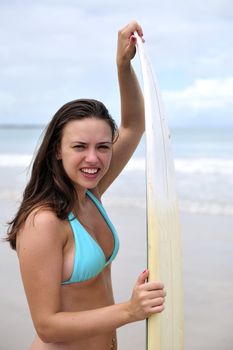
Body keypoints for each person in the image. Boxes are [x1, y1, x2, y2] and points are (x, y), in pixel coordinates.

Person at [6, 21, 165, 350]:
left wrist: (122, 64)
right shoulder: (43, 222)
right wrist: (130, 310)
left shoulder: (90, 193)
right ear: (57, 151)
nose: (93, 158)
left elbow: (134, 126)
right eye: (79, 147)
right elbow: (47, 326)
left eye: (103, 147)